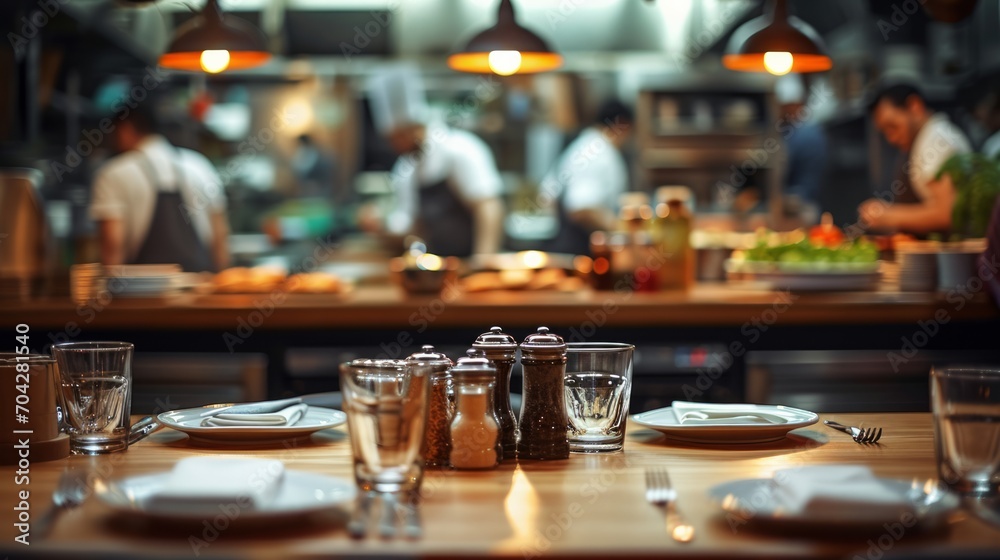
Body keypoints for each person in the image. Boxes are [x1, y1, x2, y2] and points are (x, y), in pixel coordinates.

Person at [366, 66, 504, 257]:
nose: (394, 146)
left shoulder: (460, 149)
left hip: (472, 263)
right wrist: (381, 226)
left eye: (397, 137)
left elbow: (489, 207)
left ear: (414, 128)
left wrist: (482, 260)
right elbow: (412, 227)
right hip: (439, 267)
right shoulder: (406, 168)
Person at [89, 104, 230, 272]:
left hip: (141, 294)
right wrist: (221, 287)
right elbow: (220, 237)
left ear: (125, 129)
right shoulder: (200, 166)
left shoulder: (113, 173)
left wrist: (111, 293)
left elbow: (112, 245)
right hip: (201, 288)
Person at [858, 82, 972, 235]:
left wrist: (888, 215)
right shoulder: (929, 136)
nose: (890, 138)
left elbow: (948, 213)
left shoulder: (936, 140)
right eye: (884, 131)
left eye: (892, 126)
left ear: (914, 106)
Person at [538, 100, 634, 255]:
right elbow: (581, 208)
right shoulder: (599, 153)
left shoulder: (584, 145)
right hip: (580, 251)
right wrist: (621, 230)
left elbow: (547, 194)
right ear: (623, 126)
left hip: (567, 245)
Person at [776, 74, 827, 210]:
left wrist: (788, 198)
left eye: (790, 106)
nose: (785, 111)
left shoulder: (808, 135)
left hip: (805, 206)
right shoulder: (780, 131)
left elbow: (809, 183)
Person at [292, 133, 338, 199]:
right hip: (307, 187)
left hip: (318, 187)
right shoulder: (301, 152)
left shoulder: (317, 153)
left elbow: (325, 173)